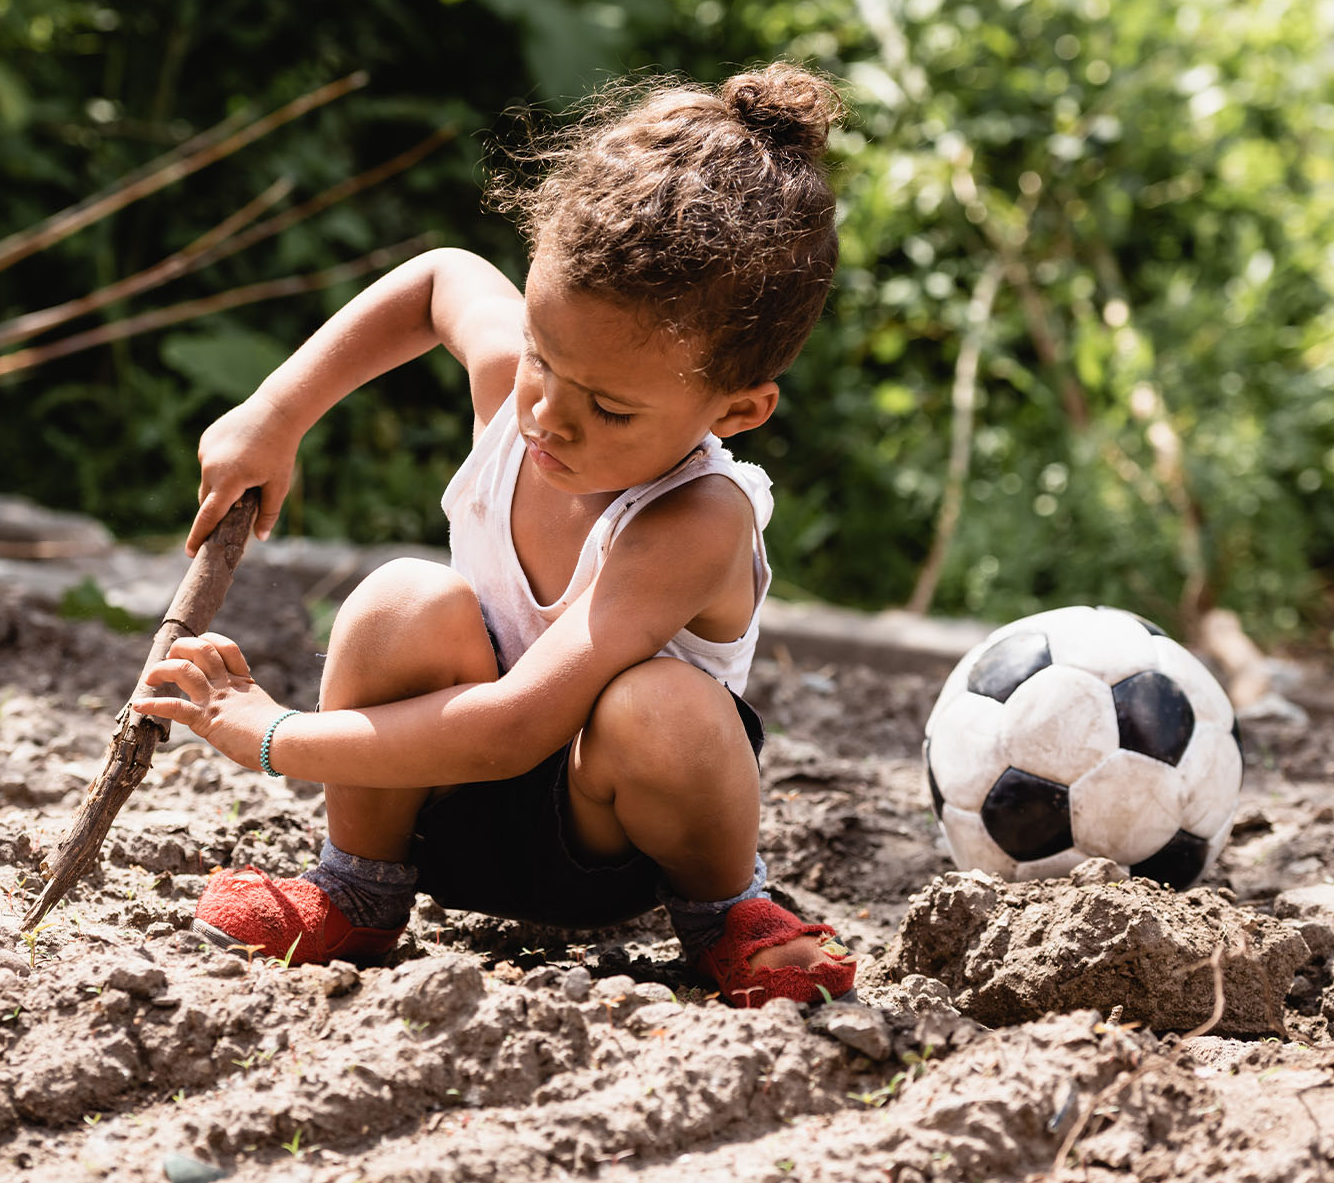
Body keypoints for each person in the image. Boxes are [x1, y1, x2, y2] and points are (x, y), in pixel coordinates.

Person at [132, 62, 857, 1008]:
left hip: (609, 847)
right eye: (541, 360)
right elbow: (441, 278)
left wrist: (274, 736)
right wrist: (278, 412)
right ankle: (357, 890)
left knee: (663, 706)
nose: (548, 416)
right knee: (402, 599)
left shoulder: (695, 519)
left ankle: (726, 915)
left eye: (609, 408)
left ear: (738, 409)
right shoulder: (521, 400)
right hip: (441, 812)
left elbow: (515, 728)